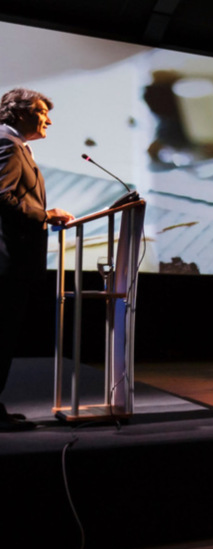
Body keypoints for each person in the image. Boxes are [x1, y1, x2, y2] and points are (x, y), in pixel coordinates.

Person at [1, 88, 73, 432]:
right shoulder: (7, 145)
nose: (49, 119)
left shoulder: (16, 147)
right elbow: (2, 197)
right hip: (7, 263)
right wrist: (45, 214)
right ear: (18, 113)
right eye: (42, 111)